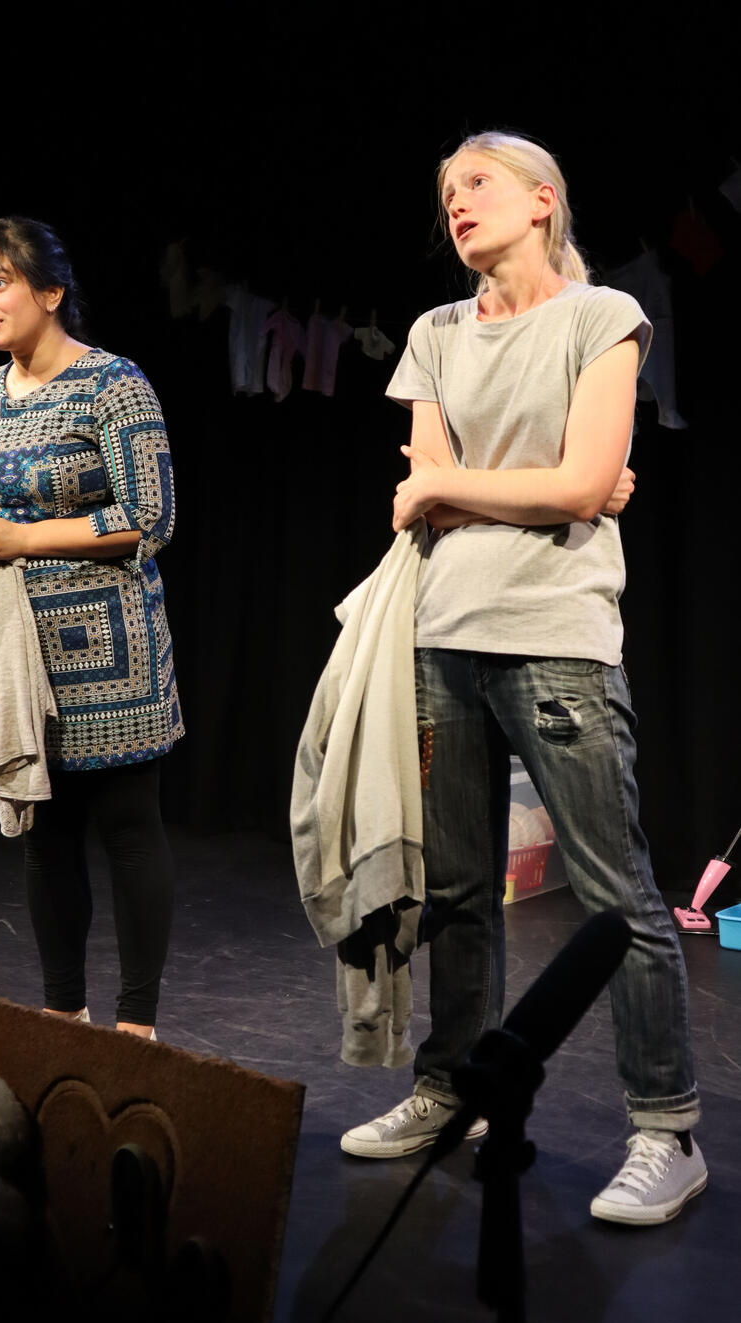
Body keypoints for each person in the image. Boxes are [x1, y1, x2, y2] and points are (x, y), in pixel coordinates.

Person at [339, 133, 706, 1226]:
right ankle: (458, 1093)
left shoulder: (601, 318)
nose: (455, 203)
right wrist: (531, 487)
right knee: (457, 895)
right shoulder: (433, 333)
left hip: (555, 637)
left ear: (542, 201)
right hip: (441, 633)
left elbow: (583, 482)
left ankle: (664, 1130)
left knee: (613, 897)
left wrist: (491, 487)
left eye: (477, 185)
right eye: (443, 190)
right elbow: (422, 488)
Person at [0, 217, 183, 1039]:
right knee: (44, 836)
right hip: (21, 652)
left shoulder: (112, 384)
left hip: (112, 649)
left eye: (1, 281)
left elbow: (149, 517)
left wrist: (23, 539)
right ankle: (63, 1014)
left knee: (127, 828)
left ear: (50, 293)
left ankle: (135, 1025)